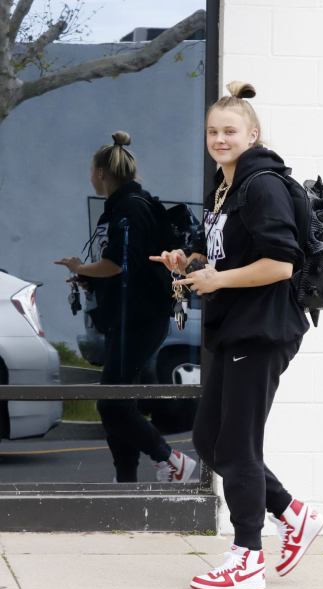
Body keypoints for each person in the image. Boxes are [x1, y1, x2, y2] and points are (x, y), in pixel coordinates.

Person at [150, 83, 323, 589]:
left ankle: (247, 555)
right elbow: (230, 258)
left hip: (264, 328)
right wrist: (192, 264)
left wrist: (218, 281)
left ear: (252, 134)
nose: (219, 139)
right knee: (209, 440)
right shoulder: (224, 187)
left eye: (230, 131)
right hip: (234, 328)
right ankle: (293, 513)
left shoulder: (263, 184)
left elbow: (279, 263)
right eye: (213, 131)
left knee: (239, 445)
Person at [55, 131, 196, 485]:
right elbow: (122, 270)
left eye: (91, 169)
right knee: (120, 403)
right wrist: (90, 279)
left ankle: (170, 459)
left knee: (111, 403)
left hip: (139, 320)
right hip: (125, 318)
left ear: (102, 172)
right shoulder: (119, 209)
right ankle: (126, 481)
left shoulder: (131, 208)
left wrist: (80, 268)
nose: (89, 176)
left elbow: (118, 263)